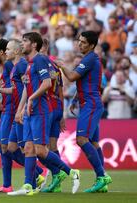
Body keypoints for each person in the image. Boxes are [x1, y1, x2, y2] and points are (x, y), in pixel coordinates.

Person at [11, 32, 80, 196]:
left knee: (41, 150)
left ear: (34, 44)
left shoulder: (41, 59)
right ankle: (28, 186)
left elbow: (47, 83)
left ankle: (72, 172)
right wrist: (21, 109)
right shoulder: (29, 63)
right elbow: (27, 91)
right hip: (29, 111)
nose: (22, 44)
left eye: (25, 41)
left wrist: (31, 99)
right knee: (28, 148)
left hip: (40, 111)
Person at [56, 30, 112, 193]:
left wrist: (62, 66)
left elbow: (72, 77)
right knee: (93, 143)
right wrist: (75, 99)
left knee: (81, 139)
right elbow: (85, 81)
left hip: (90, 104)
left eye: (83, 42)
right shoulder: (90, 59)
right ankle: (102, 181)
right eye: (79, 41)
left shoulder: (89, 59)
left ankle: (102, 176)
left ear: (92, 45)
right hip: (88, 102)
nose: (79, 44)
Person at [0, 39, 45, 193]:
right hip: (9, 109)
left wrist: (20, 108)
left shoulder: (14, 65)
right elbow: (16, 87)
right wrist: (1, 90)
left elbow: (23, 89)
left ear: (2, 52)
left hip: (13, 110)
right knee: (8, 147)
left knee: (11, 147)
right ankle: (28, 178)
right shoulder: (11, 65)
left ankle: (37, 174)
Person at [39, 39, 67, 193]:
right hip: (57, 107)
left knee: (39, 148)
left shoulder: (42, 63)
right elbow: (61, 92)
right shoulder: (56, 65)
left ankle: (58, 173)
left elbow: (45, 86)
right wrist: (61, 114)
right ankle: (57, 183)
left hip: (47, 107)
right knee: (52, 146)